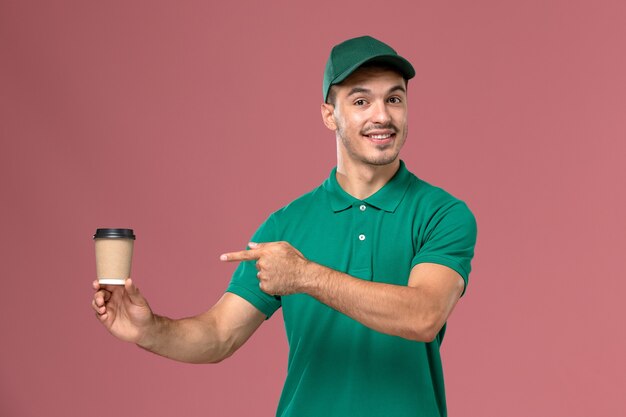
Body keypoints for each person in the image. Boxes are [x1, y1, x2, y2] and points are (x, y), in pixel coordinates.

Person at [92, 35, 477, 417]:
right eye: (361, 101)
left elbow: (424, 315)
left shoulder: (442, 214)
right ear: (330, 115)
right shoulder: (286, 225)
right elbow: (219, 335)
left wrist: (305, 276)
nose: (382, 116)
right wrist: (147, 329)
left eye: (394, 99)